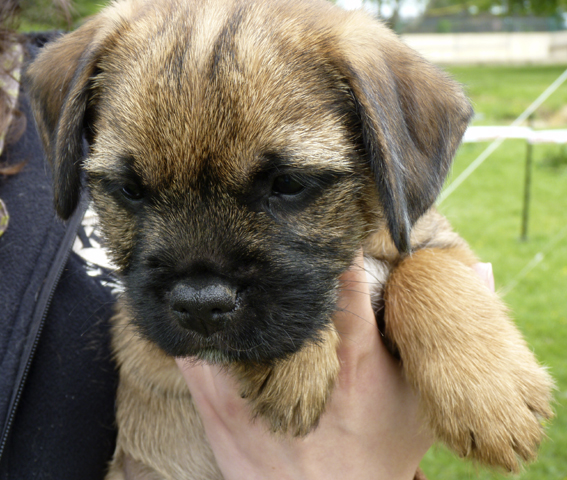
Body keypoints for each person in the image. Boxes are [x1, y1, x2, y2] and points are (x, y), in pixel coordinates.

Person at [0, 2, 495, 479]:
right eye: (131, 191)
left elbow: (423, 241)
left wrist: (430, 290)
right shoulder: (79, 73)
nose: (198, 293)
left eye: (287, 186)